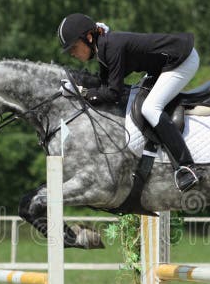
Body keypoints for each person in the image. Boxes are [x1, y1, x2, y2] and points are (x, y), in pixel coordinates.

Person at [57, 13, 200, 192]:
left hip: (181, 59)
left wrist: (81, 92)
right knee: (137, 95)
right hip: (162, 66)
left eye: (74, 47)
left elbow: (113, 93)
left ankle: (186, 167)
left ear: (89, 37)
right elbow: (105, 85)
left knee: (150, 108)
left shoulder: (111, 47)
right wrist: (80, 87)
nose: (72, 53)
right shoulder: (103, 49)